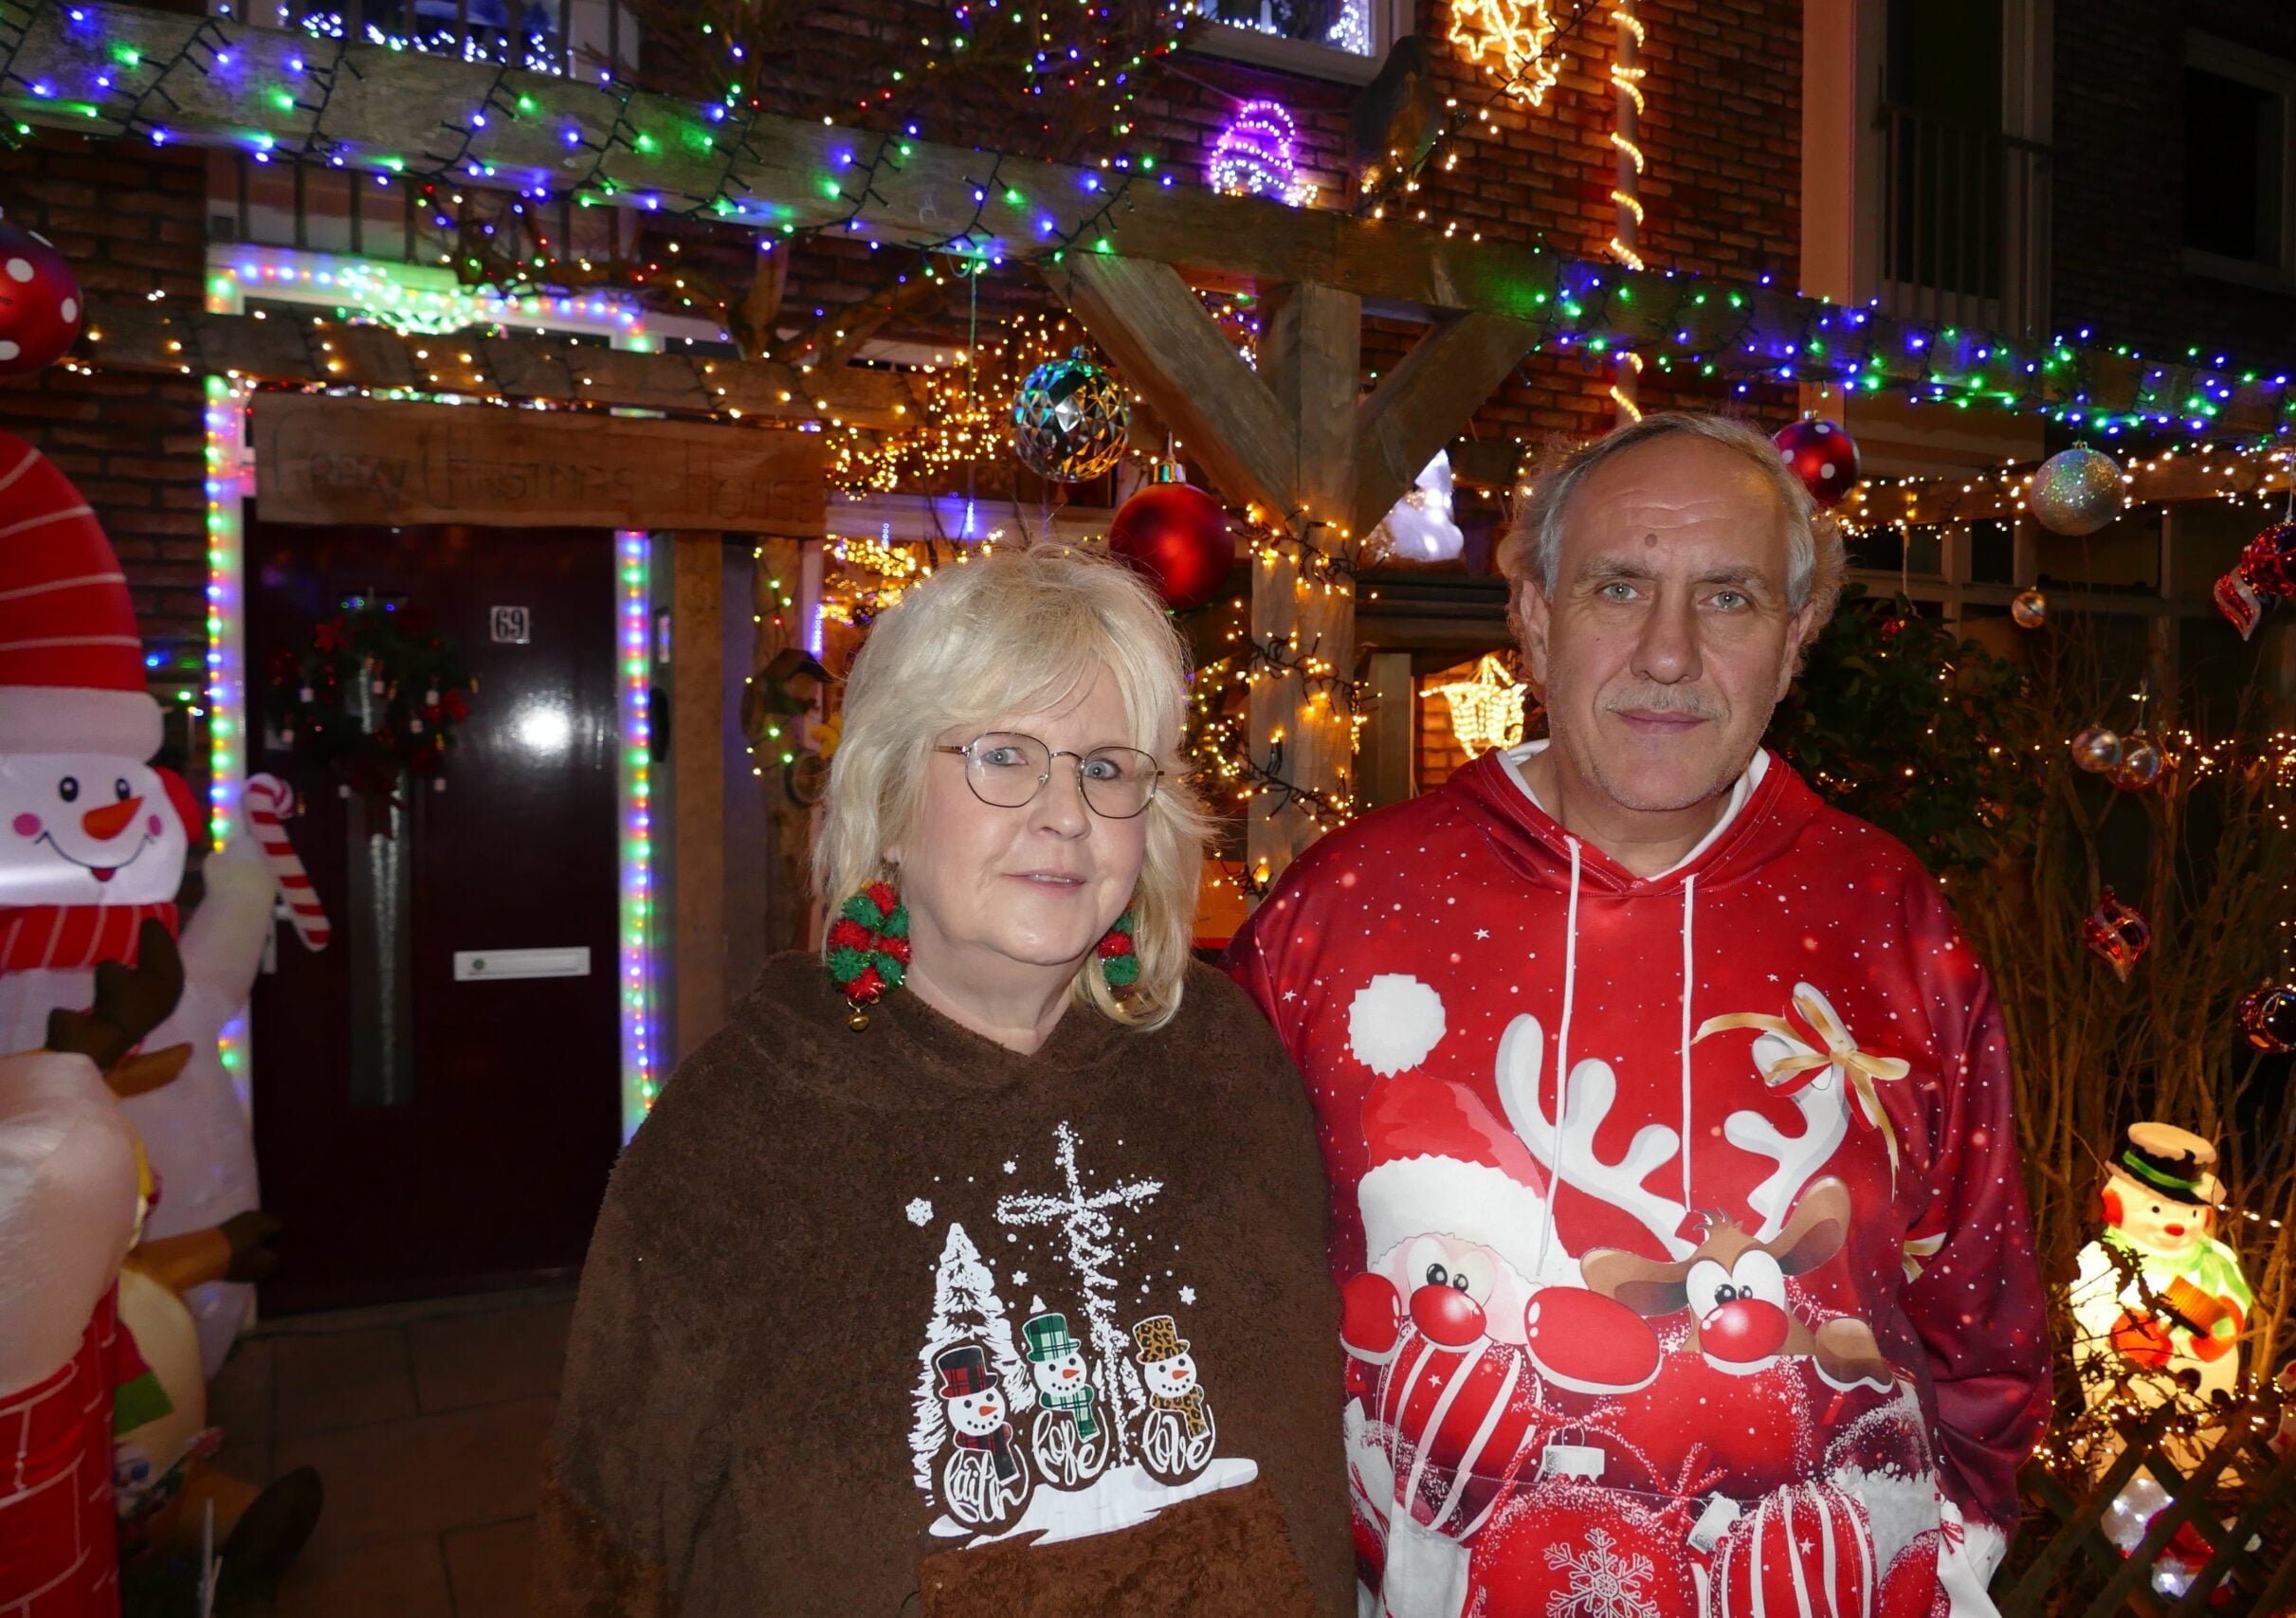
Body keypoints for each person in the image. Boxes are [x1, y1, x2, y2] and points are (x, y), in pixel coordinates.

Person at [1227, 413, 2051, 1617]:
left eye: (1728, 599)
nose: (1669, 654)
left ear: (1797, 635)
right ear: (1534, 614)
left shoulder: (1887, 914)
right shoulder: (1345, 908)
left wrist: (1956, 1550)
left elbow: (1979, 1298)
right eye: (1619, 587)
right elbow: (1227, 1278)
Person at [537, 546, 1354, 1615]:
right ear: (885, 797)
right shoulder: (737, 1130)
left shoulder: (1224, 1060)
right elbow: (618, 1536)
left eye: (1106, 767)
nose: (1066, 813)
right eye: (1005, 756)